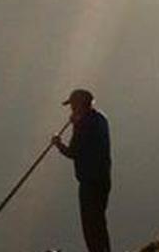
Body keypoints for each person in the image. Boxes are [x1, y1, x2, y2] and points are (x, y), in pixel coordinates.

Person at [52, 88, 111, 252]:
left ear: (79, 106)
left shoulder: (83, 125)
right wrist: (77, 123)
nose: (71, 110)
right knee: (99, 223)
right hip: (103, 179)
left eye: (72, 106)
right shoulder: (100, 119)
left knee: (90, 226)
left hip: (89, 182)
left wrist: (58, 143)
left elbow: (73, 152)